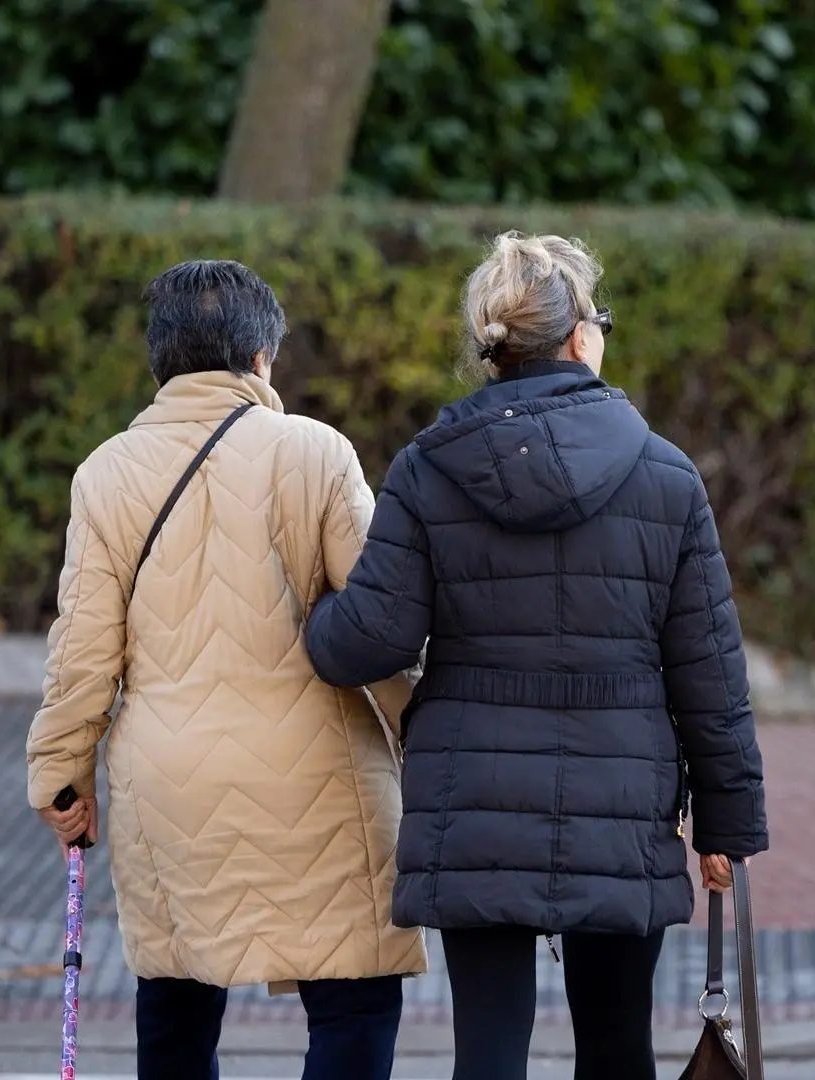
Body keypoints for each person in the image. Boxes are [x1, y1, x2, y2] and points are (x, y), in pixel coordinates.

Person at [304, 232, 770, 1080]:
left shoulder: (427, 469)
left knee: (487, 1052)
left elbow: (372, 638)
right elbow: (709, 672)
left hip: (473, 797)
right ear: (582, 338)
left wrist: (312, 613)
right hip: (622, 798)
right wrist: (727, 825)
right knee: (618, 1047)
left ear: (494, 347)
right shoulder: (666, 477)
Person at [25, 260, 425, 1080]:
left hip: (169, 783)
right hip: (319, 775)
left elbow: (83, 651)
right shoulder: (316, 453)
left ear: (160, 360)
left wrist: (62, 775)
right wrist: (427, 731)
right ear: (261, 356)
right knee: (353, 996)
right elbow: (380, 626)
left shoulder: (105, 473)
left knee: (177, 999)